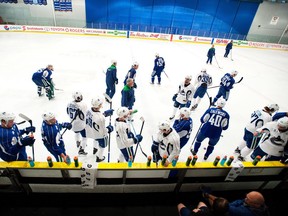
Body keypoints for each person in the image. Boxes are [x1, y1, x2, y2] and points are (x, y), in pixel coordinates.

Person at [201, 187, 270, 216]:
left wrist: (209, 196)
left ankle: (206, 195)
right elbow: (240, 201)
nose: (245, 199)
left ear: (254, 204)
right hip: (232, 207)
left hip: (229, 211)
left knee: (219, 205)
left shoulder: (244, 212)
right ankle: (207, 195)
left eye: (248, 199)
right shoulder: (259, 205)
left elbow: (226, 207)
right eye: (246, 196)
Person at [85, 96, 114, 162]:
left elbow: (95, 116)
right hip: (100, 135)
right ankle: (99, 157)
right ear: (98, 105)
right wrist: (109, 129)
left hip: (92, 131)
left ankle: (95, 149)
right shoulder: (100, 118)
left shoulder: (89, 110)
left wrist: (105, 114)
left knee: (95, 139)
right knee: (102, 146)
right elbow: (103, 131)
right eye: (100, 104)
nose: (102, 105)